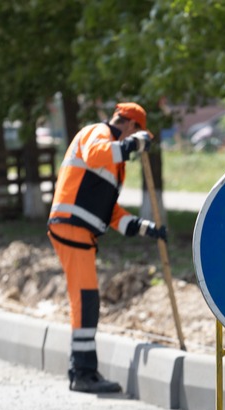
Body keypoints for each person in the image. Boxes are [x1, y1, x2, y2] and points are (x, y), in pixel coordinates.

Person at [47, 101, 167, 393]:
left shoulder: (115, 162)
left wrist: (144, 228)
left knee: (84, 300)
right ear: (129, 124)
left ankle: (82, 371)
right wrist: (131, 146)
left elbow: (109, 211)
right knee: (86, 300)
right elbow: (96, 154)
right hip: (71, 226)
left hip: (80, 231)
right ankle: (83, 372)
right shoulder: (97, 133)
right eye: (136, 133)